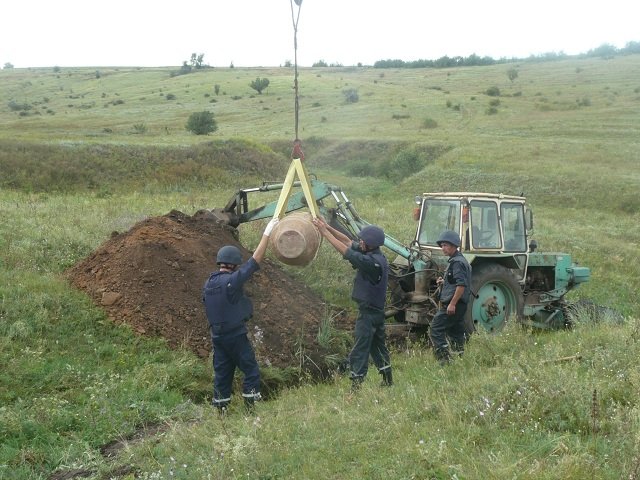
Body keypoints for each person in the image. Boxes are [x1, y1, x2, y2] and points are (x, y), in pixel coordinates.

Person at [203, 217, 279, 414]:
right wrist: (267, 233)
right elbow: (254, 261)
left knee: (222, 374)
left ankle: (221, 412)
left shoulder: (208, 284)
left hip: (217, 338)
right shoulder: (232, 281)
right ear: (235, 264)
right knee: (251, 371)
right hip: (235, 337)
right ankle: (250, 410)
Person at [312, 217, 392, 391]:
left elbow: (346, 251)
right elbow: (348, 241)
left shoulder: (371, 262)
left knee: (360, 349)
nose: (359, 242)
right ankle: (387, 380)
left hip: (368, 314)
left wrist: (324, 233)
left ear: (369, 244)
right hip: (376, 312)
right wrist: (327, 227)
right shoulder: (373, 254)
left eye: (363, 240)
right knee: (378, 347)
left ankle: (356, 385)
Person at [430, 230, 472, 364]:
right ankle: (459, 358)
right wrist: (445, 282)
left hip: (455, 304)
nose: (443, 248)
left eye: (446, 245)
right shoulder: (457, 260)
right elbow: (456, 282)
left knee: (436, 328)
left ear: (454, 246)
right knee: (455, 331)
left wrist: (452, 304)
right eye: (442, 245)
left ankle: (444, 359)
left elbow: (461, 285)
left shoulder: (457, 263)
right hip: (461, 304)